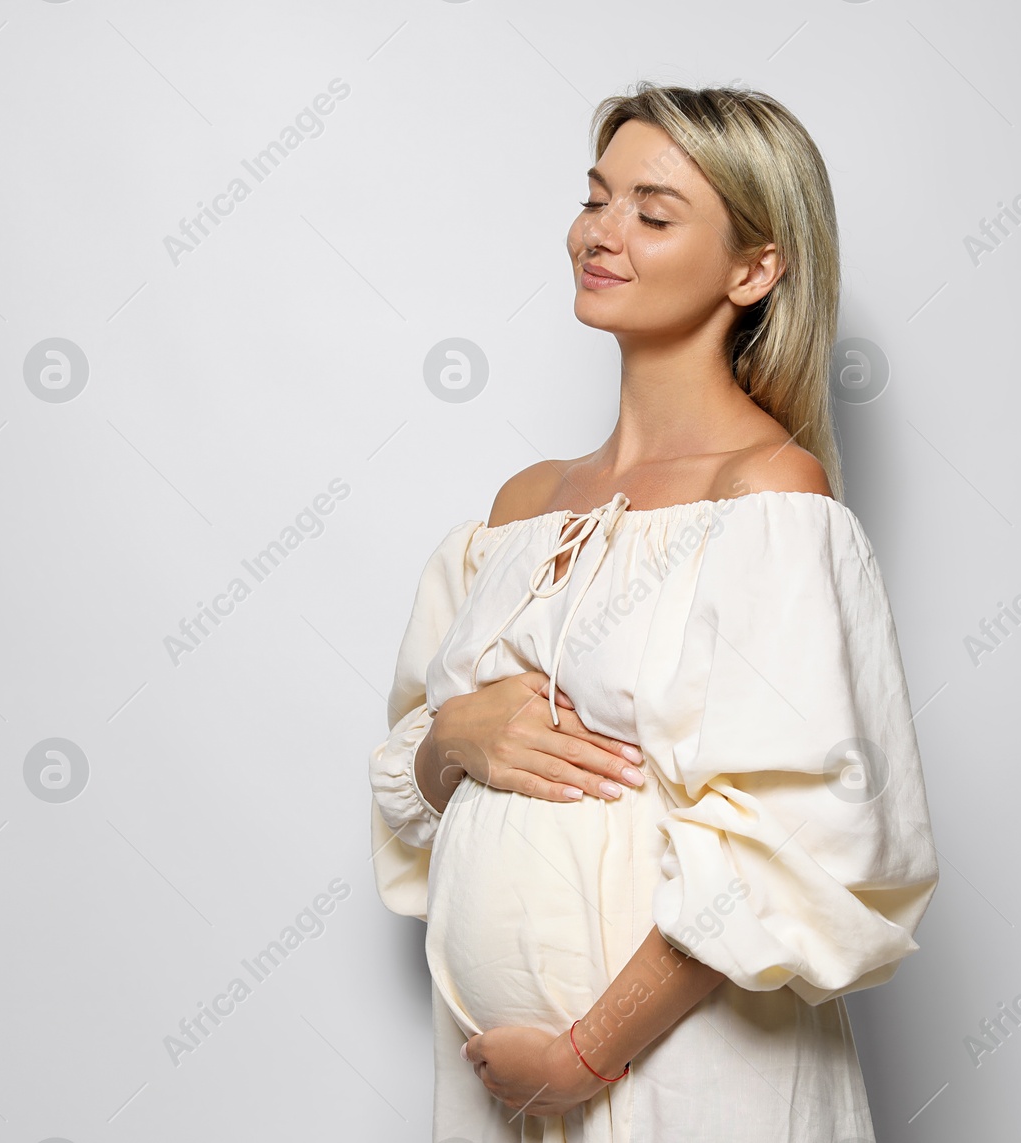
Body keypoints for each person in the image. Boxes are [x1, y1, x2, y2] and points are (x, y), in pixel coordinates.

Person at [369, 82, 939, 1143]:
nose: (601, 232)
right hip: (499, 1090)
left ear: (754, 269)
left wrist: (586, 1053)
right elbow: (410, 785)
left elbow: (800, 843)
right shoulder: (517, 512)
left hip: (688, 1078)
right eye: (596, 198)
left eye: (653, 212)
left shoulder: (770, 500)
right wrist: (454, 738)